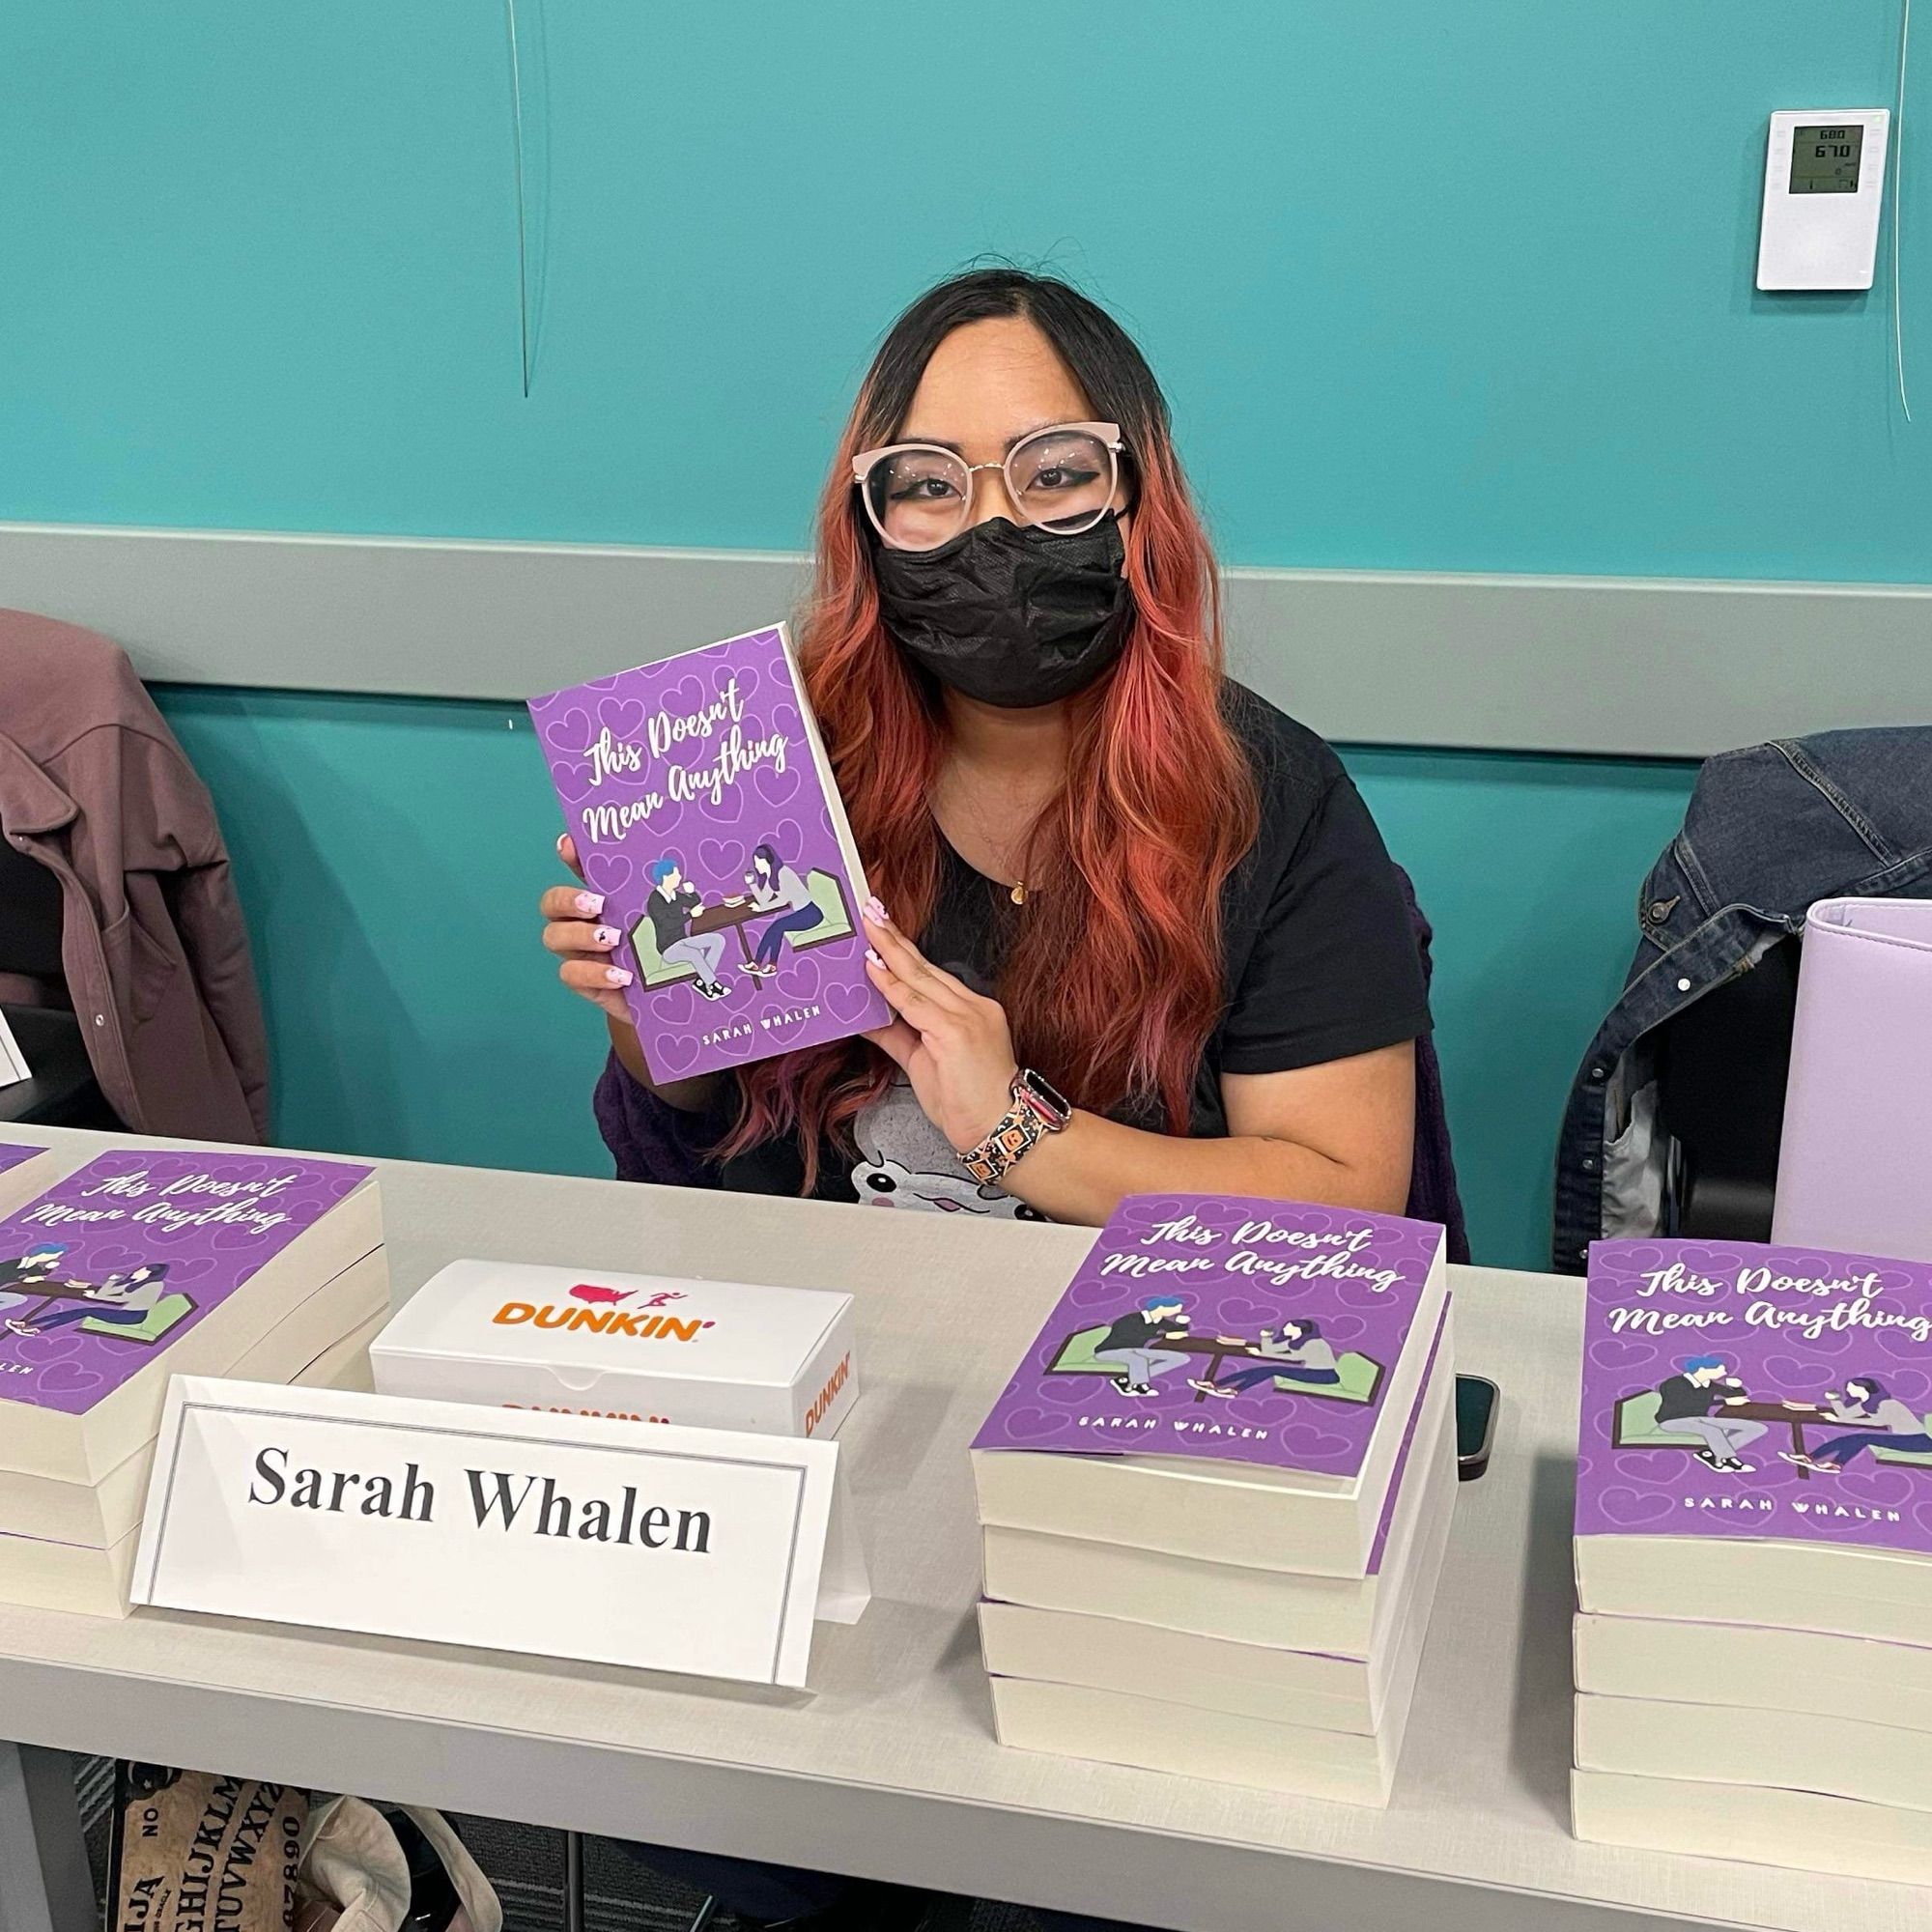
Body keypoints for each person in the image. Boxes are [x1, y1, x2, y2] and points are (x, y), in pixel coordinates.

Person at [537, 266, 1435, 1931]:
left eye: (1052, 471)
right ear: (870, 519)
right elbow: (704, 1172)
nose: (990, 526)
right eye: (929, 485)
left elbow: (1349, 1196)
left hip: (1156, 1479)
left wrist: (1016, 1127)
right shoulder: (769, 777)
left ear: (1136, 496)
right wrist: (641, 1027)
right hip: (843, 1458)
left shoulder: (1275, 807)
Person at [1786, 1375, 1932, 1472]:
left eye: (1851, 1387)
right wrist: (1835, 1399)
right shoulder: (1866, 1404)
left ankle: (1828, 1462)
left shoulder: (1889, 1404)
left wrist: (1839, 1420)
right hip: (1905, 1439)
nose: (1848, 1389)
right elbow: (1845, 1414)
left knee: (1861, 1439)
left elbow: (1878, 1422)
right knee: (1851, 1440)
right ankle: (1821, 1460)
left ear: (1863, 1389)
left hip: (1919, 1441)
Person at [1653, 1354, 1767, 1472]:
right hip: (1672, 1420)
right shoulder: (1674, 1383)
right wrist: (1724, 1401)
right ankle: (1727, 1458)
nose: (1724, 1372)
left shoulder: (1709, 1384)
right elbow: (1684, 1405)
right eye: (1719, 1369)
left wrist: (1736, 1387)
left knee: (1757, 1428)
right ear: (1702, 1370)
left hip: (1700, 1418)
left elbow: (1738, 1396)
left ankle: (1710, 1453)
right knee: (1712, 1430)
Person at [5, 1262, 172, 1336]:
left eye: (142, 1270)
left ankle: (35, 1327)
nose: (137, 1271)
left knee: (84, 1311)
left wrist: (96, 1294)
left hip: (131, 1316)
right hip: (127, 1312)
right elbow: (112, 1292)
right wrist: (109, 1283)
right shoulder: (137, 1282)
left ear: (149, 1273)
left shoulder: (153, 1286)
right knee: (82, 1310)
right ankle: (28, 1324)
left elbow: (121, 1299)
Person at [642, 859, 729, 1000]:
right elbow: (666, 924)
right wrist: (689, 915)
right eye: (676, 874)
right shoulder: (655, 900)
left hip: (683, 941)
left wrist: (692, 892)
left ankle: (702, 981)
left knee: (717, 940)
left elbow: (694, 903)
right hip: (667, 948)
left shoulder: (675, 895)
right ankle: (712, 984)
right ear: (666, 877)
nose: (680, 877)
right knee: (694, 953)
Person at [1200, 1316, 1341, 1398]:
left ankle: (1231, 1389)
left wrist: (1260, 1354)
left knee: (1270, 1370)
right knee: (1265, 1370)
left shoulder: (1315, 1343)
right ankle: (1218, 1385)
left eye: (1288, 1326)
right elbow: (1273, 1349)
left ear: (1298, 1329)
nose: (1285, 1328)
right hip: (1312, 1372)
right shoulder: (1294, 1341)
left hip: (1324, 1375)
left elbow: (1295, 1358)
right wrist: (1265, 1338)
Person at [744, 841, 824, 977]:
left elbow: (783, 900)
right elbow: (763, 899)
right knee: (777, 929)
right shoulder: (771, 876)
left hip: (810, 914)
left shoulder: (784, 873)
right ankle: (769, 965)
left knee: (776, 927)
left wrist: (762, 909)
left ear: (766, 861)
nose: (756, 866)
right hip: (802, 913)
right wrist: (752, 884)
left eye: (758, 862)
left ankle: (757, 963)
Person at [1093, 1294, 1195, 1395]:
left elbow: (1176, 1330)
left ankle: (1127, 1379)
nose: (1178, 1312)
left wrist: (1182, 1323)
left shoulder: (1159, 1321)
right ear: (1161, 1308)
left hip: (1135, 1351)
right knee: (1139, 1359)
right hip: (1109, 1351)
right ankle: (1139, 1385)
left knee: (1181, 1358)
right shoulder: (1130, 1319)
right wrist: (1164, 1336)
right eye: (1175, 1309)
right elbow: (1130, 1336)